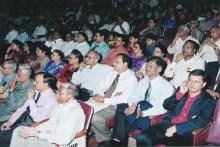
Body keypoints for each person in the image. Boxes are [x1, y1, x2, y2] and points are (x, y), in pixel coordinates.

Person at [136, 69, 216, 146]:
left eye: (196, 82)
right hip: (167, 124)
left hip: (185, 132)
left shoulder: (208, 100)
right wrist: (180, 94)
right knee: (141, 137)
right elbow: (166, 105)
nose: (191, 84)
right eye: (190, 80)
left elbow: (202, 121)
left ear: (204, 84)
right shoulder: (182, 90)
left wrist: (177, 128)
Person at [112, 56, 174, 145]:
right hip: (137, 109)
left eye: (150, 66)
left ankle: (119, 139)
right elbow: (134, 96)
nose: (147, 68)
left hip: (150, 113)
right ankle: (121, 137)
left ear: (159, 69)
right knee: (121, 106)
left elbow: (163, 108)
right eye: (147, 66)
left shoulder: (167, 86)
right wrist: (132, 105)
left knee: (143, 105)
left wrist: (142, 113)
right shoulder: (143, 81)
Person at [10, 83, 85, 147]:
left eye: (60, 93)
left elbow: (64, 140)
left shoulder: (75, 112)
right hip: (51, 135)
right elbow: (51, 123)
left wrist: (38, 134)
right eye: (57, 92)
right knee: (19, 131)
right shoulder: (61, 105)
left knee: (25, 139)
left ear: (70, 95)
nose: (57, 94)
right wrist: (35, 130)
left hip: (60, 143)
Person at [90, 53, 137, 146]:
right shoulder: (113, 72)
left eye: (117, 62)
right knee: (83, 109)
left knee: (95, 118)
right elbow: (101, 85)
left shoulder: (131, 78)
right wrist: (97, 94)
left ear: (125, 64)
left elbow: (125, 98)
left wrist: (104, 100)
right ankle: (93, 132)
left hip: (115, 105)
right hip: (102, 99)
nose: (113, 63)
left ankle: (106, 139)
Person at [0, 72, 57, 147]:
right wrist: (10, 121)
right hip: (24, 118)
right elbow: (22, 108)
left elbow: (37, 119)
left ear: (46, 84)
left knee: (6, 137)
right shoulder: (36, 91)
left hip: (35, 124)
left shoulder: (51, 99)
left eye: (37, 81)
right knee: (2, 129)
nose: (34, 83)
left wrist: (31, 99)